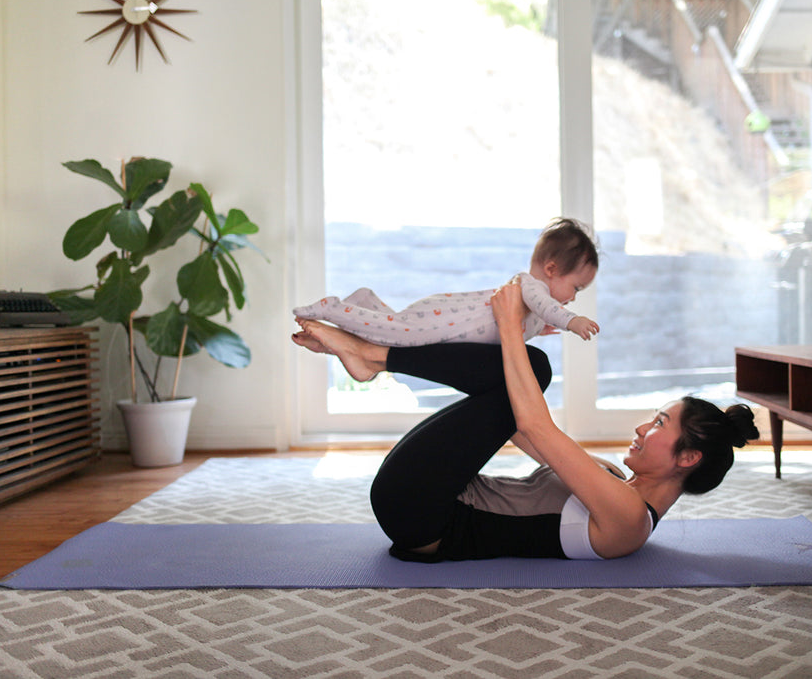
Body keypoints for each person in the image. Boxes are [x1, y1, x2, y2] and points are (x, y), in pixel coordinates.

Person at [292, 279, 760, 562]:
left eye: (660, 423)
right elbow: (519, 426)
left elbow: (536, 427)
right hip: (425, 495)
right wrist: (503, 343)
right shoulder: (613, 479)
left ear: (689, 457)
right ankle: (376, 355)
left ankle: (376, 354)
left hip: (424, 514)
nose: (642, 428)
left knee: (533, 367)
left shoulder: (630, 521)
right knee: (527, 372)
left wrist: (512, 328)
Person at [292, 218, 601, 348]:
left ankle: (364, 300)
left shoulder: (535, 300)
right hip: (445, 317)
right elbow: (545, 305)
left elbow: (519, 327)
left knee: (393, 327)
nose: (573, 298)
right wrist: (571, 322)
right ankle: (332, 309)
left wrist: (541, 326)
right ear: (551, 268)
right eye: (576, 287)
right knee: (396, 333)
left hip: (445, 322)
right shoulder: (532, 286)